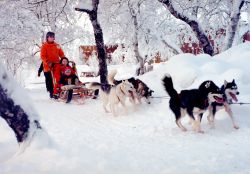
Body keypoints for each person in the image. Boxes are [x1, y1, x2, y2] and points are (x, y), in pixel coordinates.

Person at [40, 31, 65, 99]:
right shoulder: (44, 46)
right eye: (50, 36)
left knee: (58, 78)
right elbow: (42, 56)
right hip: (48, 66)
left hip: (56, 65)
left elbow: (61, 54)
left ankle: (60, 90)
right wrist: (47, 62)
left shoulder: (57, 45)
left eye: (53, 36)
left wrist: (63, 59)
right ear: (47, 37)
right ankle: (51, 92)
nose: (52, 38)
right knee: (50, 80)